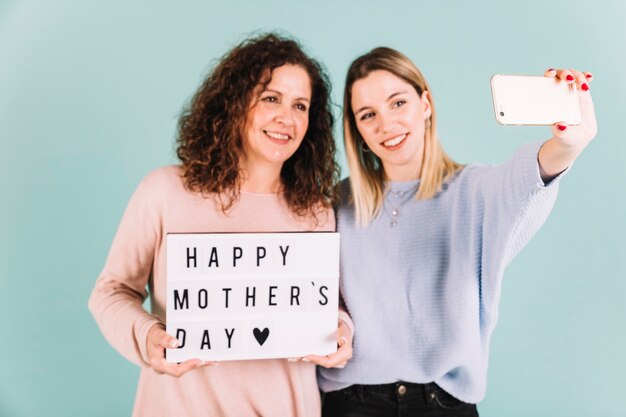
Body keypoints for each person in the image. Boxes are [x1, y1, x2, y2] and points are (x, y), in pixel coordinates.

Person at [318, 47, 596, 416]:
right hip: (351, 403)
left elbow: (526, 179)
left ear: (426, 104)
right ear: (358, 131)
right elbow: (321, 294)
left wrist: (567, 145)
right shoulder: (336, 203)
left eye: (398, 103)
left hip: (443, 405)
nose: (386, 125)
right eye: (368, 115)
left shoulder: (474, 189)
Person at [89, 33, 353, 417]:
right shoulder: (165, 191)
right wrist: (147, 337)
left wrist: (341, 332)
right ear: (234, 103)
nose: (287, 117)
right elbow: (111, 291)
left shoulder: (315, 211)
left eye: (300, 105)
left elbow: (328, 306)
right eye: (271, 98)